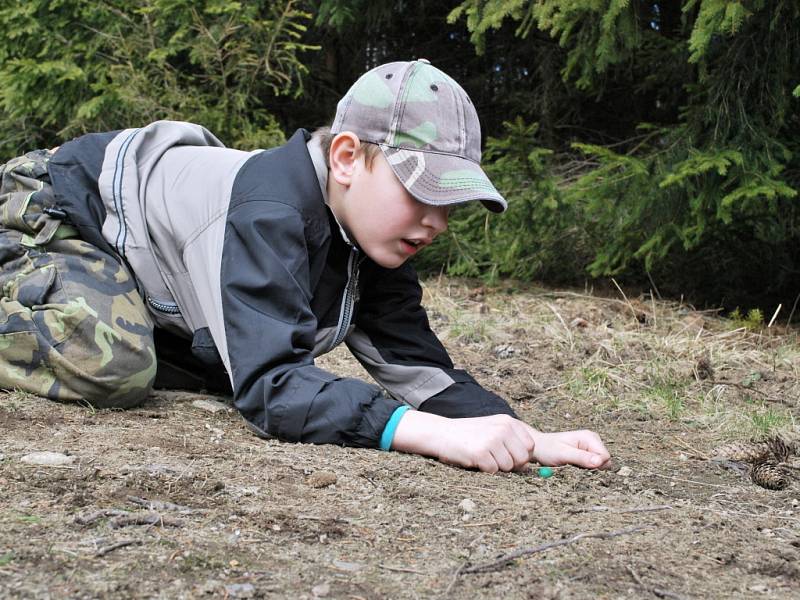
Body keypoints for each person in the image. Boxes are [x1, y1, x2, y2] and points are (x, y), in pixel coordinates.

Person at [0, 59, 610, 473]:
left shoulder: (373, 237)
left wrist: (516, 432)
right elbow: (271, 387)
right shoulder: (270, 209)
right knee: (116, 367)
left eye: (449, 203)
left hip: (134, 261)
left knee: (210, 372)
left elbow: (415, 366)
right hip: (53, 212)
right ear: (346, 158)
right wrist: (434, 434)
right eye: (421, 192)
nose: (437, 222)